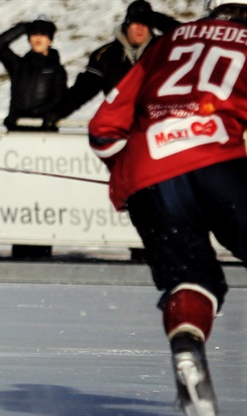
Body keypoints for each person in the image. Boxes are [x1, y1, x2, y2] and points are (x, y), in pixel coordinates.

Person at [88, 1, 246, 414]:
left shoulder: (168, 42)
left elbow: (103, 130)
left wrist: (132, 175)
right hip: (220, 162)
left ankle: (187, 346)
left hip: (149, 172)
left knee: (193, 280)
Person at [45, 0, 179, 128]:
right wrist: (56, 112)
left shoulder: (164, 50)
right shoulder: (105, 55)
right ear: (126, 25)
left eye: (145, 23)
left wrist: (160, 20)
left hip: (158, 128)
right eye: (136, 22)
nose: (140, 28)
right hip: (120, 128)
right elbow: (83, 90)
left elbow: (187, 36)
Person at [0, 15, 67, 131]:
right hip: (16, 128)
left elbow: (60, 99)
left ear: (50, 40)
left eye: (43, 33)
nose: (38, 37)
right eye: (34, 33)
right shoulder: (18, 65)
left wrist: (38, 114)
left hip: (44, 130)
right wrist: (23, 27)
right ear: (29, 38)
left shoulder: (57, 69)